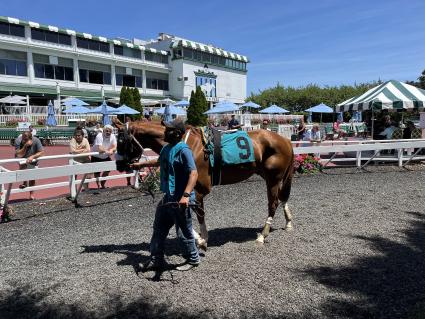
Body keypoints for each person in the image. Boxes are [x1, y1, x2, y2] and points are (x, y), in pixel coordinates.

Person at [131, 119, 200, 272]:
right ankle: (156, 258)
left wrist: (186, 195)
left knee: (183, 231)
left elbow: (193, 173)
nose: (164, 132)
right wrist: (142, 164)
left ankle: (193, 259)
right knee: (159, 228)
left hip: (181, 199)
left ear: (177, 133)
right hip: (168, 197)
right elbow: (161, 161)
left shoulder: (184, 150)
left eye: (168, 130)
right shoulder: (167, 148)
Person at [15, 131, 44, 200]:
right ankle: (24, 182)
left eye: (26, 139)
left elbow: (41, 152)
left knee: (32, 177)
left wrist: (33, 157)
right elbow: (19, 154)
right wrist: (25, 146)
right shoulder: (18, 141)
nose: (24, 140)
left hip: (32, 159)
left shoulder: (36, 140)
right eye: (23, 139)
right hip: (22, 158)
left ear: (31, 138)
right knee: (23, 170)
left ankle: (31, 194)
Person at [91, 124, 117, 189]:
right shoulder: (99, 136)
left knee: (108, 169)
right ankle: (99, 185)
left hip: (105, 156)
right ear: (103, 131)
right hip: (96, 156)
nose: (108, 132)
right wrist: (108, 151)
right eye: (107, 131)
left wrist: (112, 149)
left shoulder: (113, 136)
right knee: (97, 172)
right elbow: (100, 149)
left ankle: (102, 184)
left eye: (110, 131)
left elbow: (115, 146)